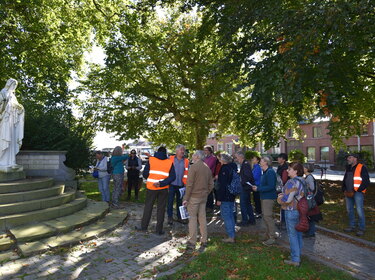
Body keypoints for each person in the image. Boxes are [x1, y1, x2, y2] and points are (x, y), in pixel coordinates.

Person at [139, 147, 176, 235]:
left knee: (148, 206)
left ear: (157, 152)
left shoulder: (151, 160)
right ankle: (159, 230)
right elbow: (173, 177)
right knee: (161, 208)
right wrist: (162, 183)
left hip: (151, 187)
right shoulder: (169, 162)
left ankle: (144, 226)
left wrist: (151, 179)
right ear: (165, 153)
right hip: (163, 188)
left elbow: (145, 174)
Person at [183, 150, 213, 249]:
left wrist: (186, 198)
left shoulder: (194, 167)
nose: (192, 156)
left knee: (192, 218)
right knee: (202, 218)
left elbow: (189, 184)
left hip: (194, 197)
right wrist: (206, 193)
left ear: (197, 157)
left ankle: (192, 241)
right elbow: (211, 184)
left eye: (193, 154)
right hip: (203, 197)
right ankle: (204, 240)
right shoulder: (206, 167)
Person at [277, 162, 305, 266]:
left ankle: (295, 260)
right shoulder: (303, 181)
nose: (287, 171)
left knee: (292, 235)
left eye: (289, 169)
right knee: (298, 234)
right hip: (301, 210)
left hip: (291, 210)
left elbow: (287, 199)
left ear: (296, 171)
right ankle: (297, 255)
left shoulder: (291, 182)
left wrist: (280, 198)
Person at [342, 153, 370, 236]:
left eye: (350, 157)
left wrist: (359, 190)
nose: (348, 159)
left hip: (358, 193)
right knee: (349, 210)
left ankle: (361, 228)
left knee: (359, 210)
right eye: (348, 158)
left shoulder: (362, 167)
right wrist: (343, 189)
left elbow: (366, 181)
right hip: (348, 192)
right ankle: (352, 226)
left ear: (355, 158)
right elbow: (345, 179)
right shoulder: (348, 168)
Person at [252, 156, 277, 246]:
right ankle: (267, 234)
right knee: (266, 216)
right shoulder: (265, 171)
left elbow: (271, 186)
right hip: (264, 197)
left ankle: (272, 237)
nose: (260, 161)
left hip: (269, 198)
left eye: (261, 160)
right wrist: (258, 188)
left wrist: (258, 188)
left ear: (266, 162)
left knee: (267, 217)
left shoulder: (270, 172)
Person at [0, 78, 24, 169]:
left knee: (11, 140)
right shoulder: (3, 92)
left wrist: (20, 108)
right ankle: (2, 162)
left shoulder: (13, 96)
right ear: (9, 84)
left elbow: (16, 107)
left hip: (12, 121)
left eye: (15, 86)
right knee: (5, 139)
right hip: (5, 120)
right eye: (13, 85)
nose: (14, 87)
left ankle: (11, 162)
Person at [216, 153, 238, 243]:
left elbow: (222, 185)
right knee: (231, 215)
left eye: (220, 159)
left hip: (225, 196)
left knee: (227, 216)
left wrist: (219, 198)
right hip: (232, 195)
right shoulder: (233, 167)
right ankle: (232, 234)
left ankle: (231, 237)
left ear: (224, 160)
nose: (219, 160)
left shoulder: (224, 169)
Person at [168, 144, 189, 225]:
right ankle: (170, 217)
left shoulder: (186, 161)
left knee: (180, 202)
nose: (183, 151)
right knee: (170, 201)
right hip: (171, 184)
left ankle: (180, 217)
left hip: (181, 185)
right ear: (176, 151)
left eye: (183, 150)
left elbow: (188, 173)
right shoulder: (170, 159)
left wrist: (186, 185)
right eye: (181, 150)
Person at [235, 151, 256, 226]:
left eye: (237, 157)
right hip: (246, 187)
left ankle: (245, 221)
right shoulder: (245, 164)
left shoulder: (245, 164)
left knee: (243, 204)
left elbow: (248, 176)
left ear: (241, 157)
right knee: (247, 204)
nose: (236, 159)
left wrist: (242, 182)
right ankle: (252, 219)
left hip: (245, 187)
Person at [303, 163, 317, 237]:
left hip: (309, 199)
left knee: (310, 215)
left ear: (306, 169)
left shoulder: (309, 177)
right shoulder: (307, 177)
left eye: (303, 167)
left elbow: (312, 188)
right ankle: (309, 231)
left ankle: (311, 232)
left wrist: (305, 186)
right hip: (308, 198)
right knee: (308, 214)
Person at [203, 145, 217, 212]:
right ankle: (206, 205)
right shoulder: (205, 158)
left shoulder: (213, 158)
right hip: (204, 176)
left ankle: (210, 207)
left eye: (206, 150)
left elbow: (208, 166)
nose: (204, 151)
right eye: (204, 150)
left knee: (209, 192)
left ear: (209, 151)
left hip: (209, 176)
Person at [277, 153, 289, 229]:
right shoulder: (280, 167)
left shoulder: (285, 168)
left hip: (284, 189)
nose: (278, 159)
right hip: (280, 188)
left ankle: (284, 223)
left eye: (280, 158)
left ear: (283, 160)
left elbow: (284, 180)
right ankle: (282, 222)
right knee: (282, 206)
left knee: (284, 205)